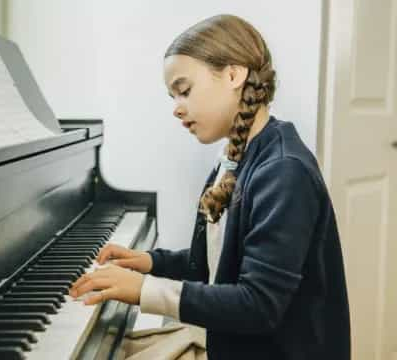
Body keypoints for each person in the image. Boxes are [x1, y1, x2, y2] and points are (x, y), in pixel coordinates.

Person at [70, 14, 351, 360]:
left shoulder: (283, 172)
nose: (176, 109)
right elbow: (225, 260)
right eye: (172, 96)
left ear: (234, 75)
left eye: (184, 90)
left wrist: (145, 290)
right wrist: (149, 262)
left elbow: (258, 305)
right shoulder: (236, 157)